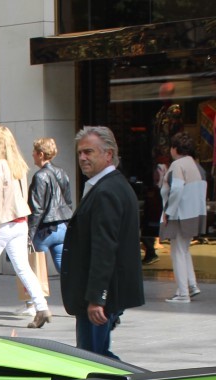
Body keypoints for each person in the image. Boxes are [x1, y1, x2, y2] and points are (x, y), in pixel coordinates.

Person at [60, 126, 145, 359]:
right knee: (96, 356)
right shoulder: (107, 186)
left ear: (108, 154)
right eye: (79, 153)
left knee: (94, 359)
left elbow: (105, 248)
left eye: (89, 152)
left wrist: (98, 298)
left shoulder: (108, 190)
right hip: (101, 295)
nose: (82, 158)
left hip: (100, 298)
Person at [0, 125, 51, 327]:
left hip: (2, 223)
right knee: (23, 268)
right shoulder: (17, 164)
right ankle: (41, 306)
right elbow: (23, 197)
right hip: (20, 221)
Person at [160, 131, 208, 303]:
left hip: (180, 214)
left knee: (177, 252)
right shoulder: (196, 165)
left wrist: (168, 211)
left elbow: (177, 188)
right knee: (184, 250)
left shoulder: (178, 165)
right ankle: (192, 285)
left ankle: (182, 293)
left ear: (175, 148)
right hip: (194, 213)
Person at [27, 137, 74, 273]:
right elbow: (68, 202)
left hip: (45, 230)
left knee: (36, 271)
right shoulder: (62, 172)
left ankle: (37, 294)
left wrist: (29, 235)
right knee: (65, 269)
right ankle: (75, 292)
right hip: (61, 228)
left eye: (34, 152)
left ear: (41, 154)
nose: (32, 154)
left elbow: (37, 209)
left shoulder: (40, 176)